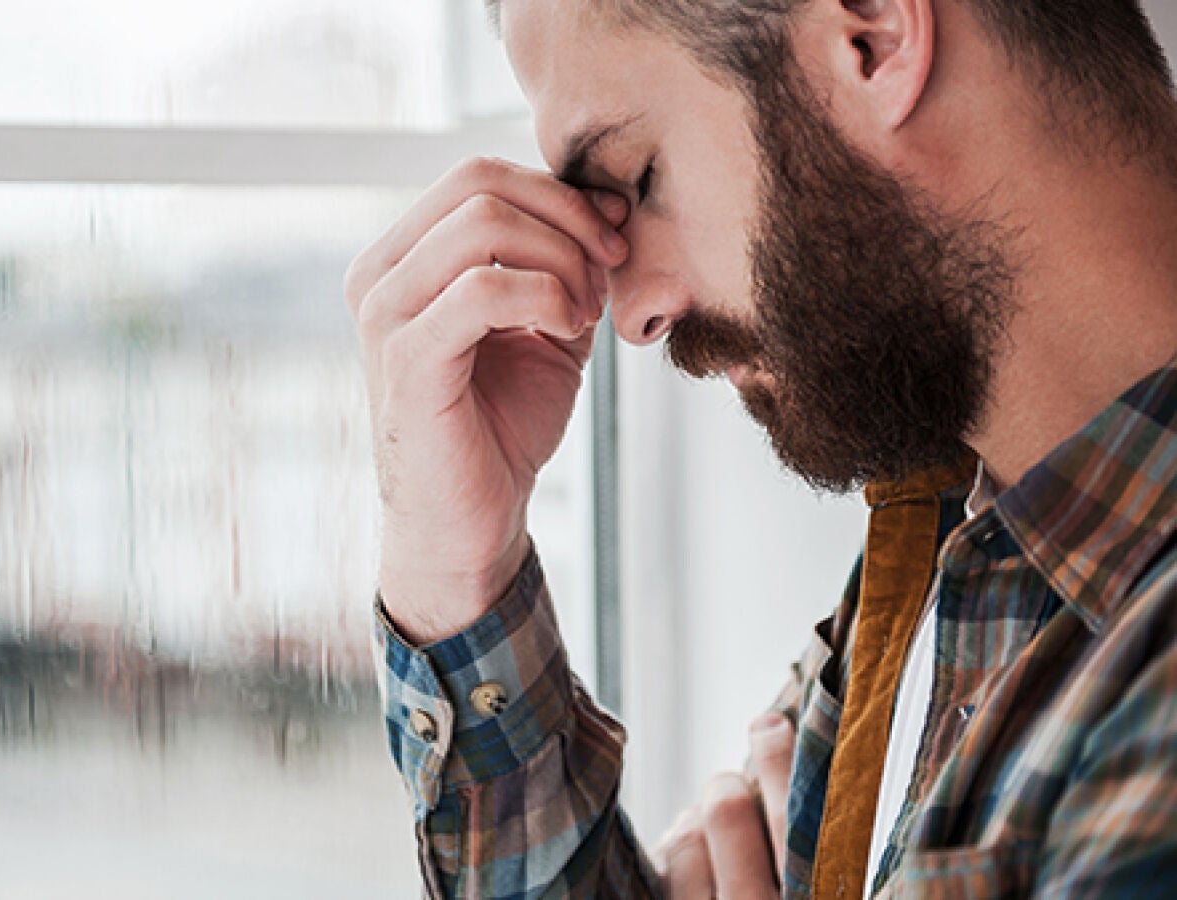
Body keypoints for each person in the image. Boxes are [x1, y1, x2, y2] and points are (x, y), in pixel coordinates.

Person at [343, 0, 1177, 896]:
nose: (634, 315)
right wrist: (457, 572)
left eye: (640, 176)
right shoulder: (947, 551)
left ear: (875, 39)